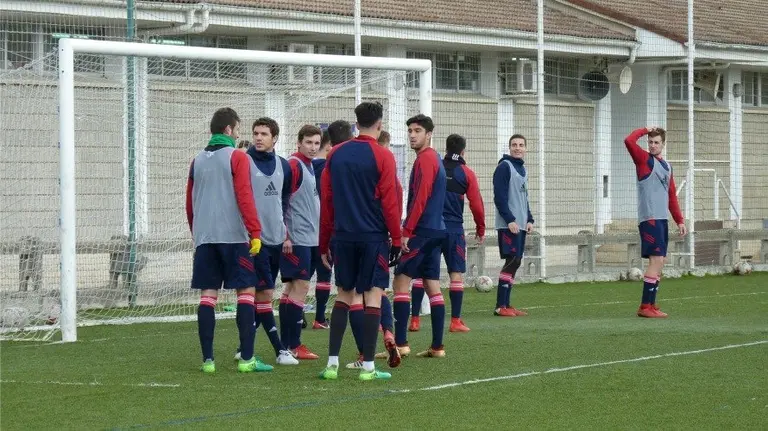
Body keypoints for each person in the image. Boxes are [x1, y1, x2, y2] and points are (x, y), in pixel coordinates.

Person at [318, 102, 402, 381]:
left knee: (343, 295)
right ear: (379, 123)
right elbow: (390, 203)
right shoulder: (383, 156)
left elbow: (327, 200)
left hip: (342, 236)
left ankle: (332, 364)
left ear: (356, 124)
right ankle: (367, 366)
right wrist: (397, 239)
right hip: (372, 237)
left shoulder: (337, 154)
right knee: (373, 297)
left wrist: (324, 241)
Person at [186, 107, 272, 373]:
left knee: (208, 295)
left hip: (205, 237)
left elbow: (189, 203)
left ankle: (208, 360)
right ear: (229, 130)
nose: (238, 135)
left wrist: (196, 232)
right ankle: (246, 359)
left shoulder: (196, 160)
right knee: (246, 292)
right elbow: (245, 196)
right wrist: (255, 232)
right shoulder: (237, 156)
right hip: (234, 237)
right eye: (238, 129)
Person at [410, 134, 485, 333]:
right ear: (463, 151)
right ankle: (455, 321)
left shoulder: (436, 166)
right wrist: (480, 228)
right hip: (453, 230)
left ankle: (415, 320)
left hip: (432, 228)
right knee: (455, 274)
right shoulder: (466, 173)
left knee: (421, 275)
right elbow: (476, 204)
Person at [241, 117, 298, 365]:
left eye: (264, 134)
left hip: (276, 239)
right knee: (263, 293)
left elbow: (285, 200)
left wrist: (285, 231)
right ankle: (280, 350)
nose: (258, 138)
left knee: (262, 294)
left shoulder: (284, 166)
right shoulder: (243, 162)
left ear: (275, 138)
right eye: (256, 133)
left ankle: (244, 346)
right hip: (254, 241)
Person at [392, 114, 448, 359]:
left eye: (417, 131)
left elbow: (421, 197)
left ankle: (402, 343)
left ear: (429, 134)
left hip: (422, 231)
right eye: (410, 131)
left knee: (400, 283)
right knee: (431, 285)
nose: (413, 135)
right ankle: (437, 347)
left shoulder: (426, 159)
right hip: (437, 230)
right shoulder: (434, 158)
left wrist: (407, 231)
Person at [624, 126, 686, 318]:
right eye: (650, 142)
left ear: (663, 144)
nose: (652, 145)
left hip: (662, 219)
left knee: (661, 261)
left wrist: (680, 220)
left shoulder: (667, 167)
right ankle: (645, 306)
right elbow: (628, 141)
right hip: (649, 218)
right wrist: (645, 130)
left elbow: (671, 197)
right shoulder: (643, 160)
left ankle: (651, 304)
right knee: (656, 259)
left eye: (656, 142)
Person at [280, 125, 322, 360]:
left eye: (316, 143)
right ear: (298, 143)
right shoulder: (294, 165)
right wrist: (285, 234)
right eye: (308, 142)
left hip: (308, 237)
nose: (313, 147)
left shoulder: (309, 166)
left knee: (291, 289)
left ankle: (286, 343)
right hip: (296, 238)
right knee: (300, 287)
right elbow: (281, 199)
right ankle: (293, 344)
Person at [492, 134, 534, 317]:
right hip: (509, 225)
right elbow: (499, 197)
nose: (518, 148)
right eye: (514, 145)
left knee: (516, 262)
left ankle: (507, 305)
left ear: (526, 148)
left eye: (521, 145)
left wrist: (530, 219)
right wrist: (509, 219)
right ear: (509, 148)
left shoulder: (523, 170)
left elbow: (524, 198)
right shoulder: (504, 167)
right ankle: (500, 306)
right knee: (511, 261)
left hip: (521, 225)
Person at [310, 129, 333, 330]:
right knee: (324, 273)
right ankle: (319, 317)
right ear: (329, 147)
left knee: (300, 276)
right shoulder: (329, 168)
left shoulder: (301, 165)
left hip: (304, 230)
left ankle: (295, 316)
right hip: (325, 228)